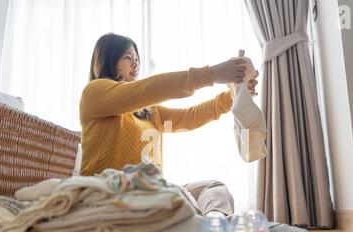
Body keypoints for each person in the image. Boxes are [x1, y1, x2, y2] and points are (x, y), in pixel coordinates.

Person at [79, 33, 258, 217]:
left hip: (152, 193)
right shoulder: (94, 93)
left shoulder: (149, 110)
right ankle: (200, 224)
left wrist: (232, 97)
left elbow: (189, 118)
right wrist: (211, 74)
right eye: (127, 57)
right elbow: (148, 89)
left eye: (137, 59)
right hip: (112, 193)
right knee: (181, 197)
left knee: (214, 189)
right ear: (108, 59)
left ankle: (215, 225)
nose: (135, 64)